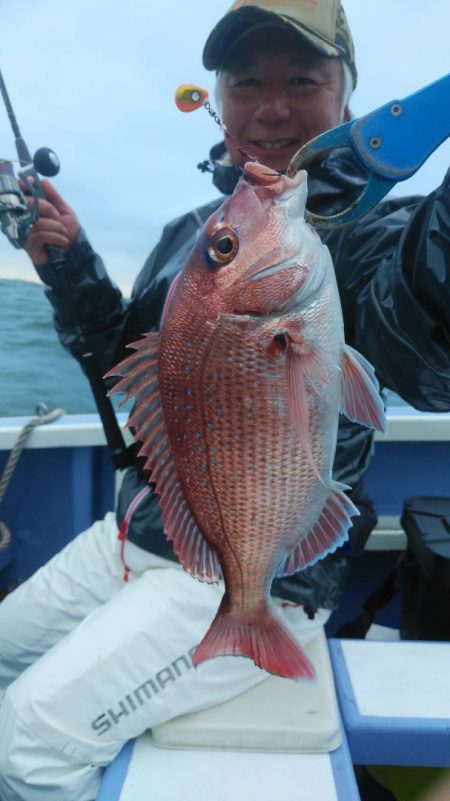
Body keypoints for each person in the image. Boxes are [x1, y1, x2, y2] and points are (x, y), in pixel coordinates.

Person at [0, 2, 449, 799]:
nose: (271, 107)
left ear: (348, 97)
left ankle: (252, 624)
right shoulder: (196, 234)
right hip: (135, 532)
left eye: (302, 80)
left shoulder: (371, 238)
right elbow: (125, 360)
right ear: (218, 99)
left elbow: (426, 321)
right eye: (245, 82)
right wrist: (69, 264)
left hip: (259, 572)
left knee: (24, 742)